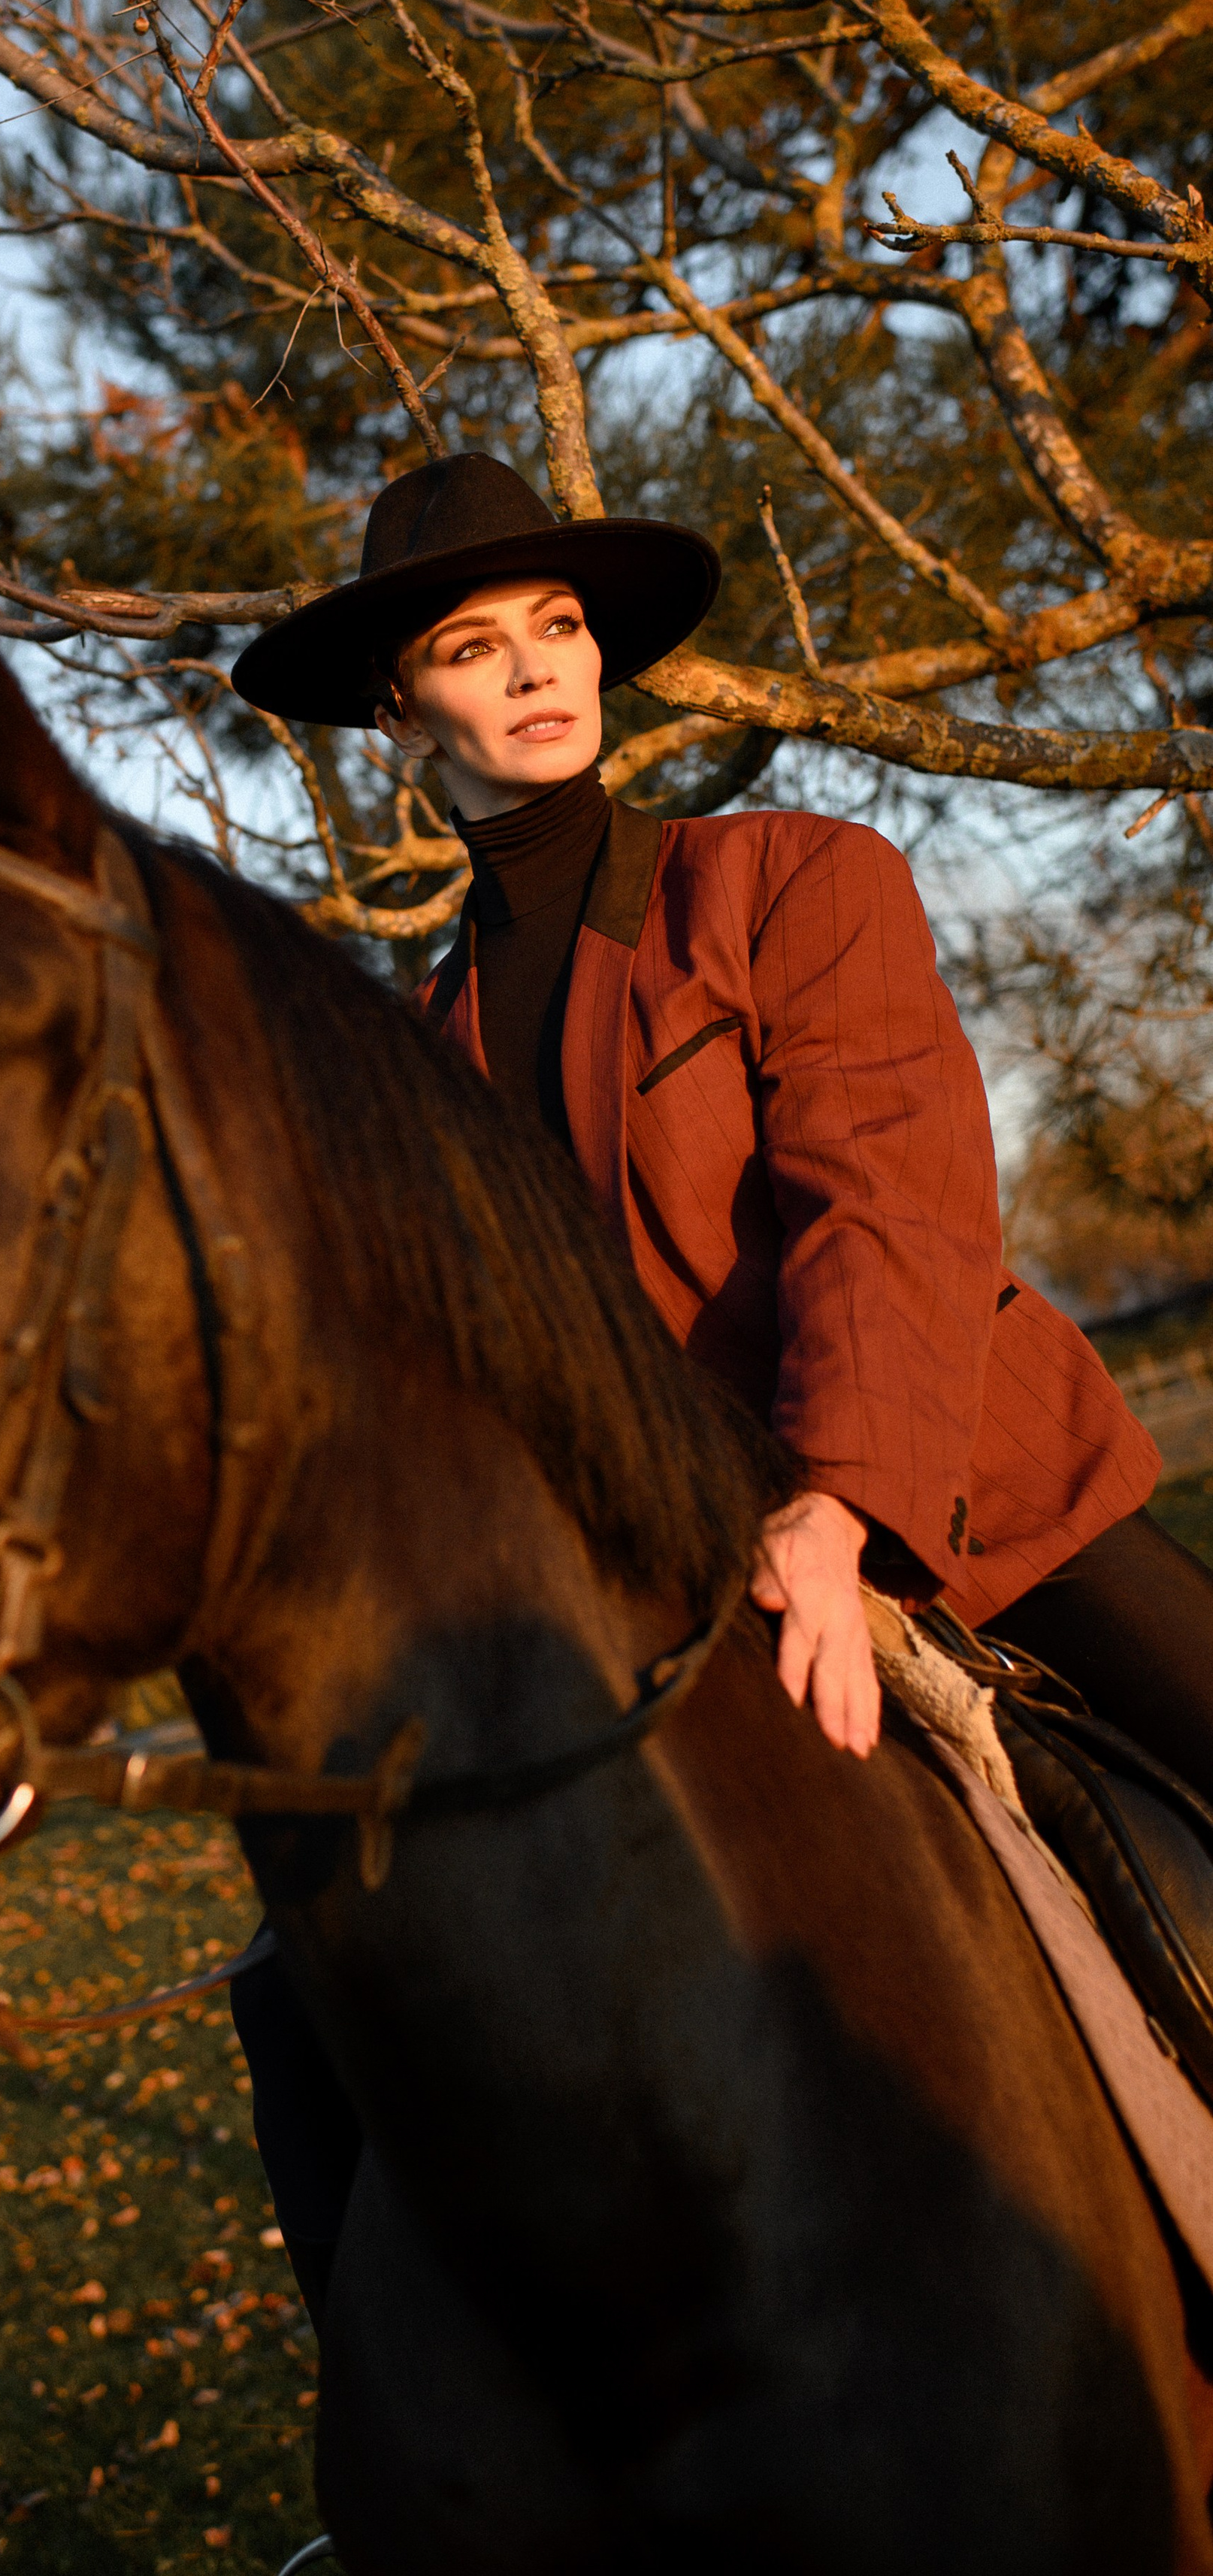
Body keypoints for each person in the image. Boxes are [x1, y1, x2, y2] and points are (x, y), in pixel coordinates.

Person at [226, 448, 1213, 2322]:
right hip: (646, 1611)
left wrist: (833, 1511)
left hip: (964, 1511)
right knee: (297, 1991)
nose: (535, 669)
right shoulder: (407, 1071)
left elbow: (890, 1210)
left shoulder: (783, 883)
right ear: (395, 705)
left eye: (559, 627)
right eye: (470, 643)